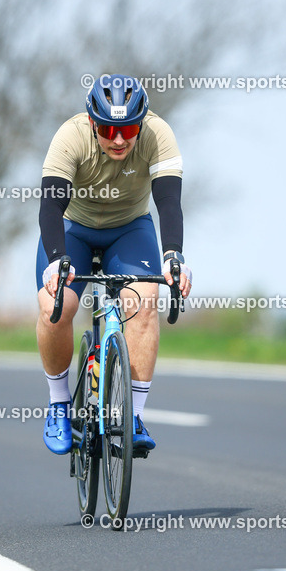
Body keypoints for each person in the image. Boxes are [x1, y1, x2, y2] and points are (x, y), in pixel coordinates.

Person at [35, 73, 193, 455]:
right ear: (92, 122)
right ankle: (59, 404)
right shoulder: (69, 136)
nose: (119, 139)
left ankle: (134, 415)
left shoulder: (159, 135)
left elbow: (169, 203)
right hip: (74, 228)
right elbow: (51, 207)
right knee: (58, 307)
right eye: (108, 129)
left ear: (142, 122)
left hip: (129, 229)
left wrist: (173, 256)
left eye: (128, 129)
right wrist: (57, 262)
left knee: (143, 303)